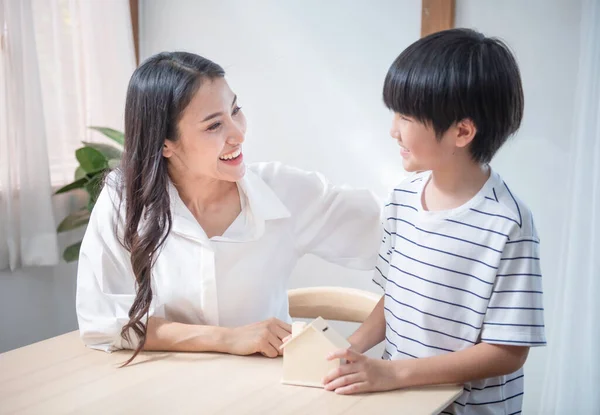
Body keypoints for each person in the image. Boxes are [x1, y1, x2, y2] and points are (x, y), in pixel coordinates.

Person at [75, 51, 381, 365]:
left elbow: (408, 241)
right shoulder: (123, 197)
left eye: (235, 111)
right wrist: (226, 338)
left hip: (265, 388)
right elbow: (101, 321)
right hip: (162, 387)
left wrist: (353, 344)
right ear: (165, 143)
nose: (238, 134)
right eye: (214, 126)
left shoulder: (286, 191)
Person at [323, 29, 546, 415]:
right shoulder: (403, 197)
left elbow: (508, 351)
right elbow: (393, 298)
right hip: (403, 402)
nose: (394, 129)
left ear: (462, 131)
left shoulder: (507, 223)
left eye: (406, 117)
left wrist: (393, 374)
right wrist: (353, 346)